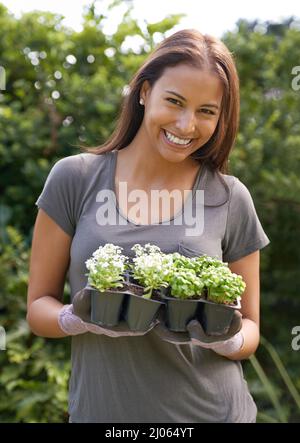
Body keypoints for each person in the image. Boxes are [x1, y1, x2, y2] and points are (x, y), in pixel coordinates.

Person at [27, 28, 270, 423]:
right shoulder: (75, 179)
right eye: (174, 102)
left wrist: (230, 339)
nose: (187, 125)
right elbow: (38, 307)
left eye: (207, 111)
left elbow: (253, 328)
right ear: (143, 92)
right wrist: (74, 318)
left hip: (215, 413)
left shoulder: (229, 197)